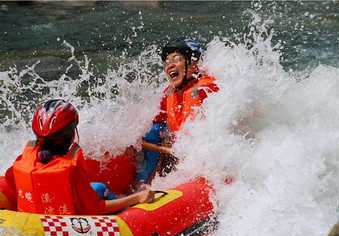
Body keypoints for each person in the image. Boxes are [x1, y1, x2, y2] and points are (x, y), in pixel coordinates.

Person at [2, 99, 155, 215]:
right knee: (100, 188)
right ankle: (129, 217)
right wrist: (137, 198)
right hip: (68, 226)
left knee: (96, 187)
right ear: (71, 134)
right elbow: (95, 208)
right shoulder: (70, 168)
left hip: (33, 221)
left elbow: (10, 181)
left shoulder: (24, 159)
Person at [136, 38, 219, 185]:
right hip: (177, 154)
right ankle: (142, 185)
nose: (170, 65)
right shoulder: (169, 94)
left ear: (194, 65)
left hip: (205, 159)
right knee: (154, 131)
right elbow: (156, 122)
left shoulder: (207, 87)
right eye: (166, 62)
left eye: (176, 59)